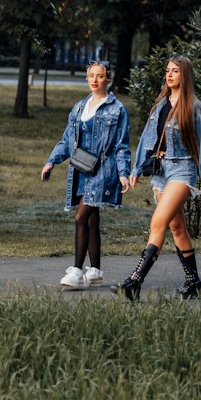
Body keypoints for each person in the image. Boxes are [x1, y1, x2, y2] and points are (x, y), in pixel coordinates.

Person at [118, 54, 201, 301]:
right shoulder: (160, 103)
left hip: (182, 170)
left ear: (185, 75)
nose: (169, 75)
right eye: (167, 71)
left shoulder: (194, 107)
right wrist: (137, 169)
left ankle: (135, 281)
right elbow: (146, 139)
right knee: (176, 226)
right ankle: (194, 283)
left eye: (175, 71)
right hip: (160, 172)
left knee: (158, 222)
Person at [42, 62, 132, 289]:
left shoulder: (117, 109)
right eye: (91, 75)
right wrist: (52, 161)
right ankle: (95, 272)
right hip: (82, 169)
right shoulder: (79, 108)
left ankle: (76, 272)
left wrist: (123, 172)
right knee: (92, 220)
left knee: (80, 217)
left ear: (107, 79)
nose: (95, 80)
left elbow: (122, 145)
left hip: (104, 169)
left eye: (100, 76)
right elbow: (67, 140)